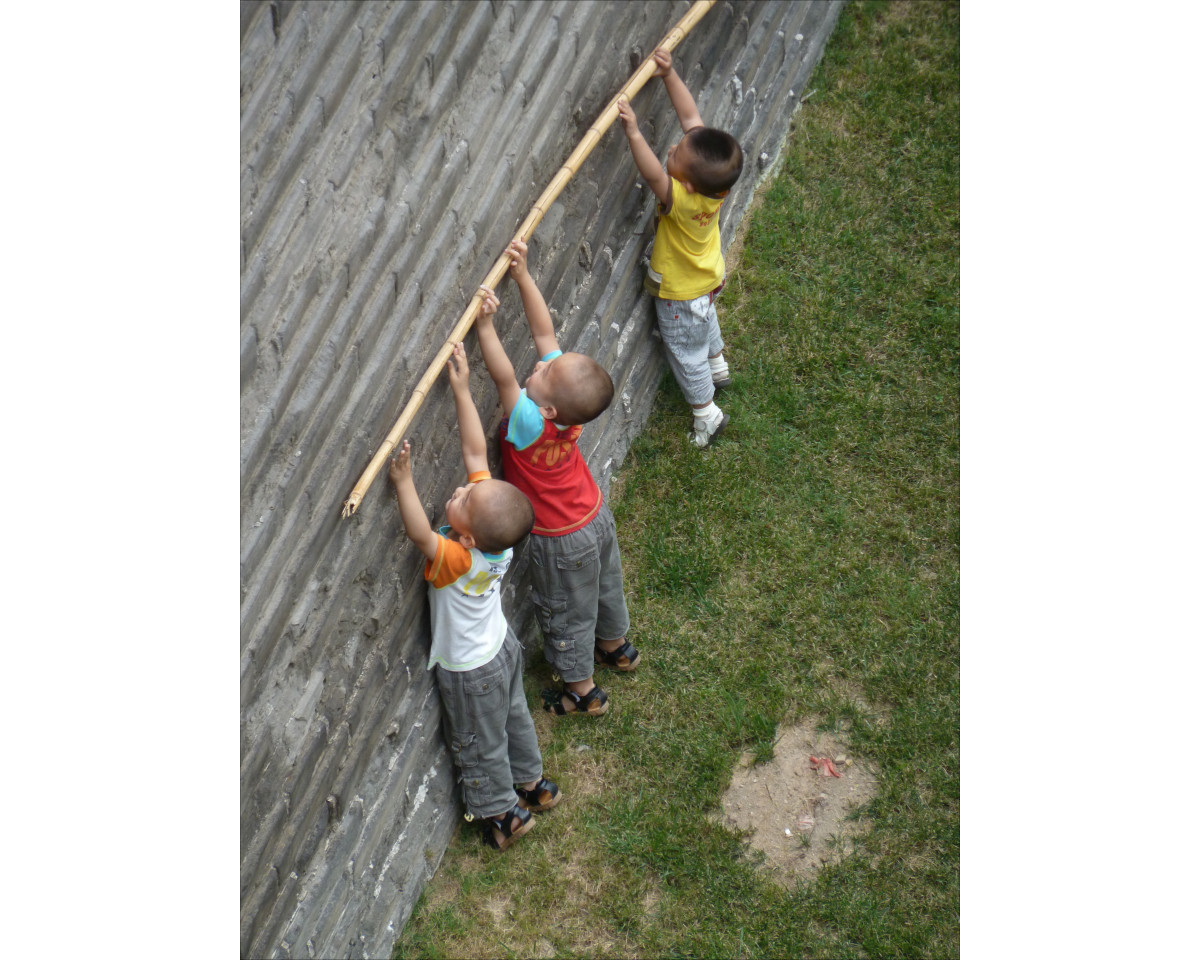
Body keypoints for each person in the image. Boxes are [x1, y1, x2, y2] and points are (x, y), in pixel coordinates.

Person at [388, 342, 559, 851]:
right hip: (501, 650)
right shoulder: (493, 541)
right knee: (514, 716)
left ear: (463, 539)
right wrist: (462, 389)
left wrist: (403, 482)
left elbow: (422, 536)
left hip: (470, 668)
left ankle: (503, 814)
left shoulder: (458, 560)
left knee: (481, 741)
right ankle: (533, 784)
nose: (461, 490)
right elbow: (475, 455)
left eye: (462, 499)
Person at [473, 239, 637, 718]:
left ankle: (581, 690)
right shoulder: (570, 412)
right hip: (593, 513)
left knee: (567, 607)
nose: (540, 363)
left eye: (544, 373)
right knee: (605, 583)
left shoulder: (527, 424)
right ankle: (616, 645)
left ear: (544, 407)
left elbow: (504, 377)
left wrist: (484, 325)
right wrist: (523, 277)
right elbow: (545, 335)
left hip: (560, 538)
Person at [617, 47, 744, 448]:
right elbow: (692, 121)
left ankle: (707, 414)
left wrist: (635, 132)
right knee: (704, 320)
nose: (671, 149)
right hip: (708, 277)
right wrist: (669, 74)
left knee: (684, 350)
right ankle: (718, 364)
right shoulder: (715, 189)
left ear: (685, 184)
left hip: (680, 294)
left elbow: (653, 172)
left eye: (675, 154)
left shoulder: (680, 200)